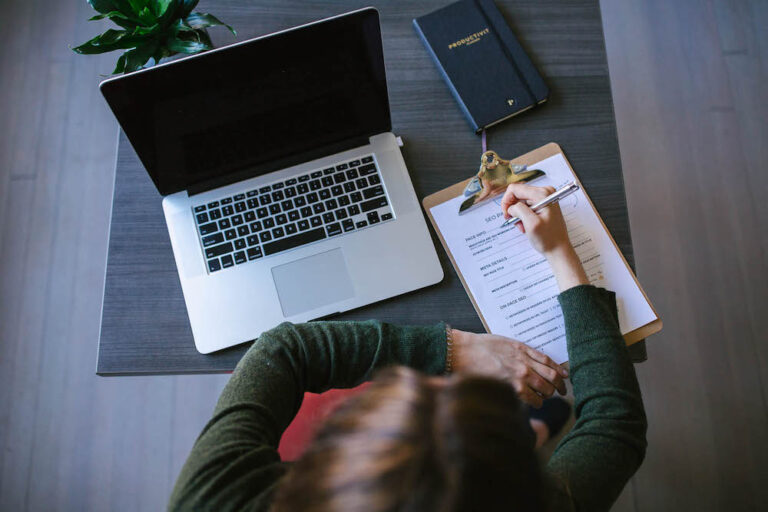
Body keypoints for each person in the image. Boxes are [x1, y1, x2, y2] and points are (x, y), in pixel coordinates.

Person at [168, 184, 647, 512]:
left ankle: (529, 434)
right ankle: (530, 433)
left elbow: (283, 349)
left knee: (522, 424)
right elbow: (614, 427)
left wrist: (456, 349)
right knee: (534, 417)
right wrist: (561, 253)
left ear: (339, 454)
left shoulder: (213, 499)